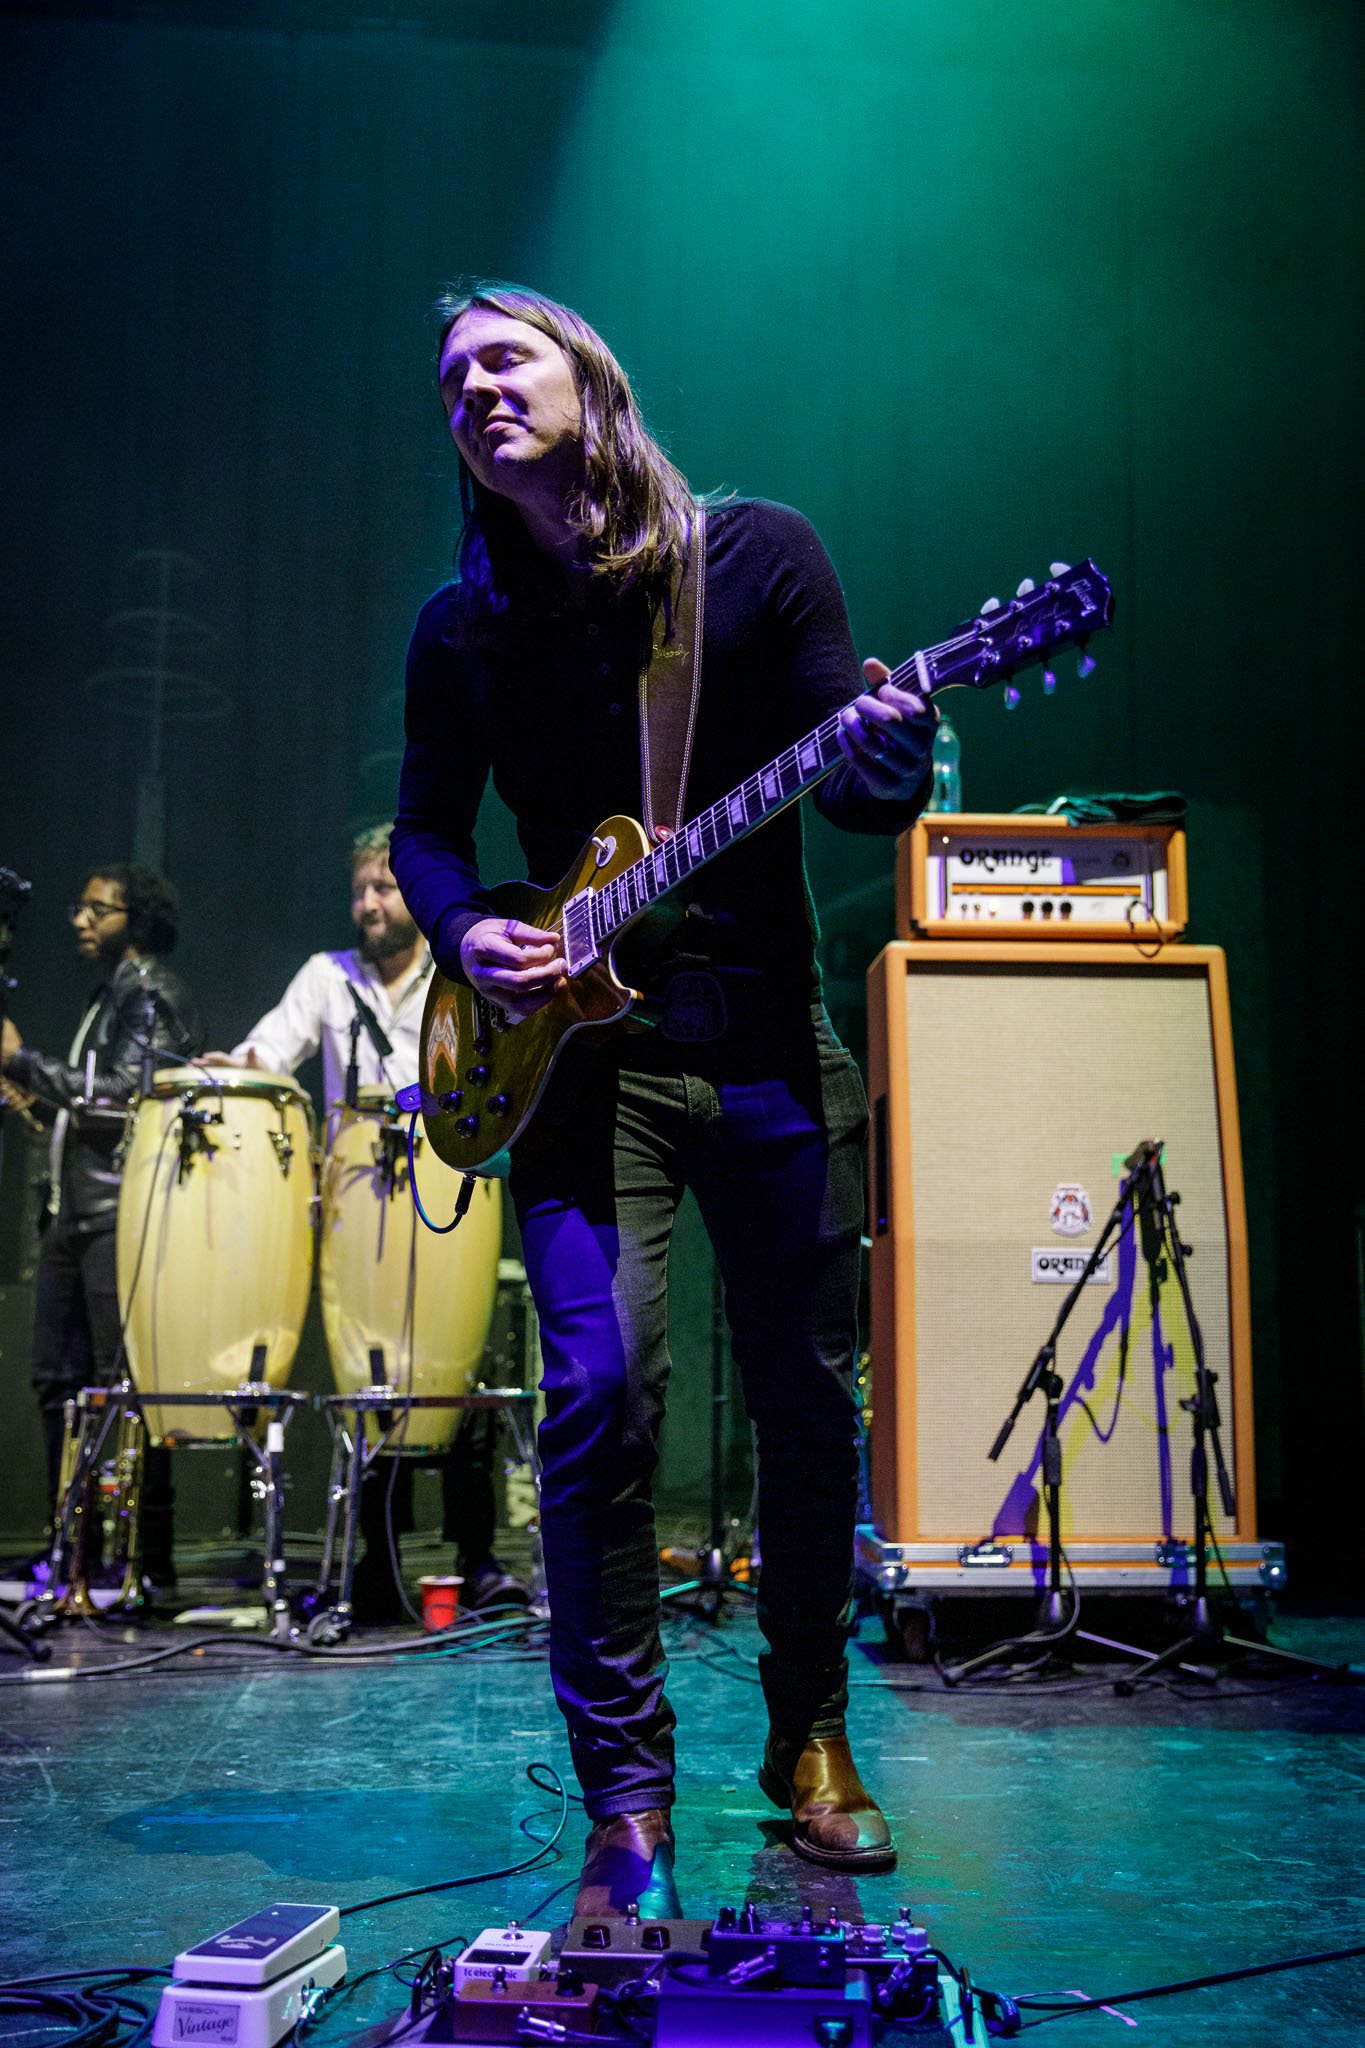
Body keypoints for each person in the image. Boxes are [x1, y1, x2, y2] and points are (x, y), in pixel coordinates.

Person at [390, 282, 935, 1916]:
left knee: (803, 1400)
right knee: (599, 1394)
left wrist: (896, 753)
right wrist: (461, 921)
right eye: (452, 376)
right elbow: (425, 825)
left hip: (762, 1040)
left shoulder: (758, 559)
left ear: (591, 384)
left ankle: (811, 1737)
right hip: (573, 1066)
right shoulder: (461, 624)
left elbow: (854, 789)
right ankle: (626, 1799)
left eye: (506, 355)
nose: (475, 385)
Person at [214, 825, 528, 1619]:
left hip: (452, 1177)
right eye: (359, 890)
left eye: (383, 888)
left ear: (414, 898)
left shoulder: (459, 973)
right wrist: (229, 1067)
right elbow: (268, 1052)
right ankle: (377, 1562)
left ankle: (477, 1556)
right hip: (357, 1195)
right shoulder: (326, 978)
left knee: (463, 1364)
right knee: (374, 1374)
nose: (368, 905)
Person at [0, 864, 203, 1591]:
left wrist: (22, 1058)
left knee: (123, 1391)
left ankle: (144, 1560)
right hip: (76, 1215)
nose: (80, 921)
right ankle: (74, 1551)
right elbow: (87, 1111)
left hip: (120, 1218)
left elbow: (129, 1100)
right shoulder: (109, 995)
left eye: (98, 909)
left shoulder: (150, 992)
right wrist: (30, 1097)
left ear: (137, 921)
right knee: (59, 1383)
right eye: (79, 907)